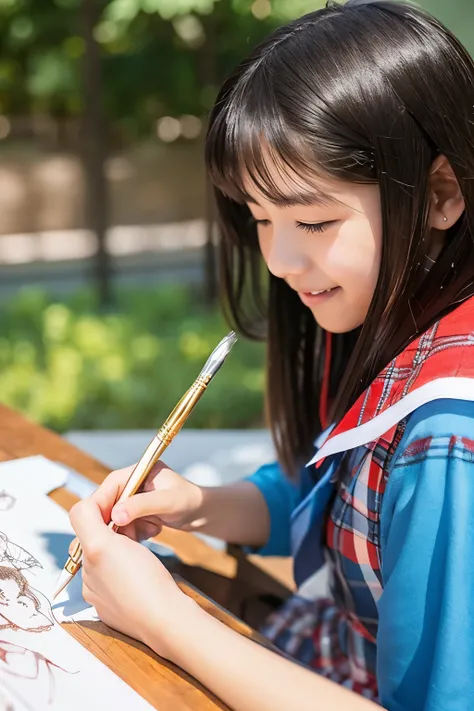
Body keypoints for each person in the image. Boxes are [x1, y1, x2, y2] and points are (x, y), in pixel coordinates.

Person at [69, 1, 474, 709]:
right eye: (259, 218)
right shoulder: (399, 317)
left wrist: (165, 620)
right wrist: (199, 504)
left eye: (313, 219)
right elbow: (337, 491)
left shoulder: (448, 439)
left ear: (440, 192)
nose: (281, 260)